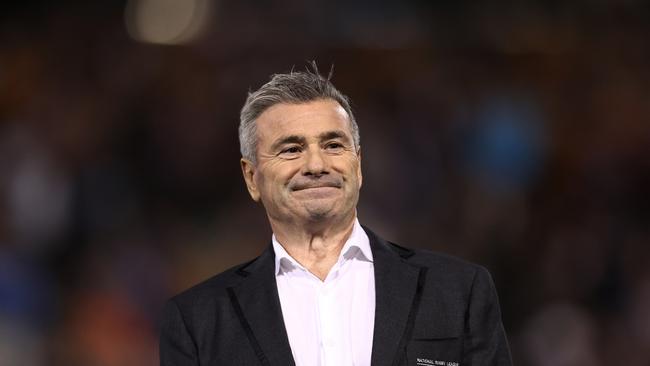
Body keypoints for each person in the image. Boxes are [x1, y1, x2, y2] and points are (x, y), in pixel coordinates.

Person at [159, 66, 513, 366]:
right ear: (252, 177)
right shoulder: (197, 321)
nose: (316, 165)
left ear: (358, 165)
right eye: (291, 149)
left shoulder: (458, 292)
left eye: (333, 145)